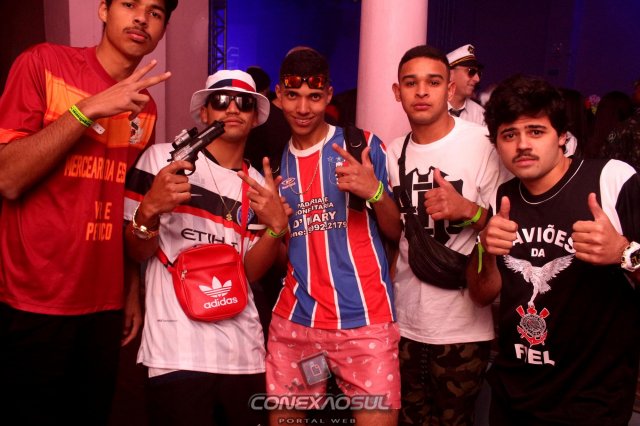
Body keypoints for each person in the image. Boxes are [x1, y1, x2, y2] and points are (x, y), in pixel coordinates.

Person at [0, 1, 177, 424]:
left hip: (102, 302)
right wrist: (89, 108)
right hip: (34, 298)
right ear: (103, 10)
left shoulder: (145, 108)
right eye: (129, 4)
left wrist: (130, 287)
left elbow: (122, 203)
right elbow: (8, 178)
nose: (142, 18)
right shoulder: (43, 64)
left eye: (155, 12)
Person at [469, 74, 640, 425]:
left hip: (590, 401)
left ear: (562, 135)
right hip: (513, 394)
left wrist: (624, 252)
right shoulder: (503, 196)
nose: (522, 145)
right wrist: (485, 248)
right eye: (509, 135)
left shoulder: (610, 180)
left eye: (536, 131)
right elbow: (481, 294)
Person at [124, 69, 289, 425]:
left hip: (243, 353)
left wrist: (276, 229)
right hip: (175, 351)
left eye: (244, 103)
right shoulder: (161, 160)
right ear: (203, 112)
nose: (233, 108)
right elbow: (136, 251)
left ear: (255, 117)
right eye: (221, 100)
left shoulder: (258, 186)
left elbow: (248, 272)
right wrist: (149, 209)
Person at [266, 48, 402, 425]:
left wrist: (375, 191)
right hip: (296, 325)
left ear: (328, 95)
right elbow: (286, 249)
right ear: (279, 96)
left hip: (365, 322)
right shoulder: (275, 166)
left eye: (314, 96)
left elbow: (396, 230)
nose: (303, 108)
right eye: (293, 96)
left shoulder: (362, 146)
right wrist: (274, 228)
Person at [388, 44, 507, 425]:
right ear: (398, 92)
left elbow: (509, 230)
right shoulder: (394, 151)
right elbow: (396, 236)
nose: (422, 91)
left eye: (433, 82)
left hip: (463, 326)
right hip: (406, 322)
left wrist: (468, 210)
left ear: (449, 89)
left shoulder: (483, 144)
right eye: (411, 83)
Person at [446, 44, 485, 125]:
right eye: (471, 71)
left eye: (479, 73)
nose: (477, 79)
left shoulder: (480, 116)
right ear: (450, 74)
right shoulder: (431, 109)